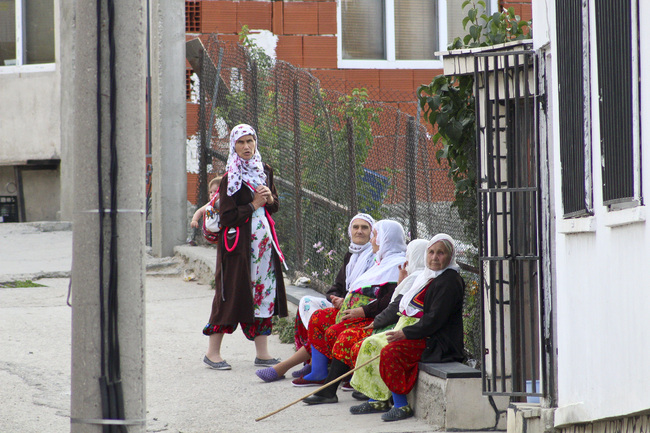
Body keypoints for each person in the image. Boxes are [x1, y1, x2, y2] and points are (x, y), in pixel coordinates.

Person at [348, 233, 465, 421]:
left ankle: (401, 405)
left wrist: (405, 333)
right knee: (380, 347)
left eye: (441, 253)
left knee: (391, 352)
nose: (435, 257)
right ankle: (377, 399)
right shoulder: (432, 277)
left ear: (450, 256)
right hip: (427, 336)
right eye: (431, 252)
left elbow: (434, 320)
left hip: (439, 343)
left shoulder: (449, 281)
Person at [300, 238, 428, 404]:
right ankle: (332, 385)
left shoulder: (415, 277)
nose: (406, 260)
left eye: (377, 235)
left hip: (394, 327)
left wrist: (373, 319)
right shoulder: (406, 274)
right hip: (386, 322)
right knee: (337, 330)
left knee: (348, 338)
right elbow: (393, 302)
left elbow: (392, 306)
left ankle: (351, 390)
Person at [202, 124, 287, 370]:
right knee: (230, 295)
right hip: (237, 250)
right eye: (241, 142)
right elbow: (227, 216)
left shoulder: (265, 171)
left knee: (263, 294)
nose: (247, 146)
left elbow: (273, 206)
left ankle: (263, 353)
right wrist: (253, 204)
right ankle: (212, 353)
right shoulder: (231, 176)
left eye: (250, 141)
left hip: (263, 249)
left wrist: (269, 200)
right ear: (234, 146)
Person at [255, 213, 375, 382]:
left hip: (360, 311)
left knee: (323, 320)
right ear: (350, 231)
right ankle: (313, 361)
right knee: (307, 303)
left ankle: (290, 366)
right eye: (356, 227)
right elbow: (337, 287)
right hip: (345, 305)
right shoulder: (352, 254)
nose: (359, 231)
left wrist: (347, 301)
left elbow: (369, 294)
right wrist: (335, 298)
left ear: (373, 233)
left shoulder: (375, 257)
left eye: (365, 228)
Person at [293, 220, 407, 388]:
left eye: (374, 235)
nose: (370, 239)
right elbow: (341, 286)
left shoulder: (397, 266)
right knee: (318, 317)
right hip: (355, 311)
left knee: (336, 332)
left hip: (374, 318)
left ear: (386, 239)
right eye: (356, 227)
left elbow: (389, 301)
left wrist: (363, 310)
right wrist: (341, 300)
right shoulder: (380, 261)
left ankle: (350, 375)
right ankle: (319, 372)